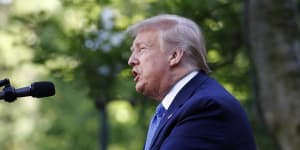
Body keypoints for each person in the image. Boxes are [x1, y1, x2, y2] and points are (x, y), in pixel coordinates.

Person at [126, 14, 256, 150]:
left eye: (141, 49)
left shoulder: (206, 107)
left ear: (174, 56)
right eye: (133, 51)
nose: (131, 60)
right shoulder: (175, 109)